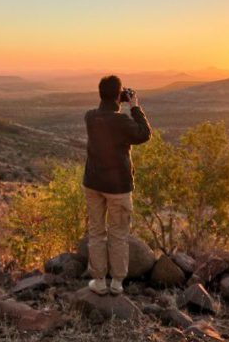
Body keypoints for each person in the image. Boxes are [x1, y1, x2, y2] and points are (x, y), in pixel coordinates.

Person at [83, 75, 152, 295]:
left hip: (93, 183)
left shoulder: (90, 117)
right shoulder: (122, 122)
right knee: (118, 233)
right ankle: (117, 283)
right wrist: (134, 106)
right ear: (118, 95)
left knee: (96, 232)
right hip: (119, 187)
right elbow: (144, 134)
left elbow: (105, 114)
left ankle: (99, 281)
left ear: (100, 93)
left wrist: (115, 100)